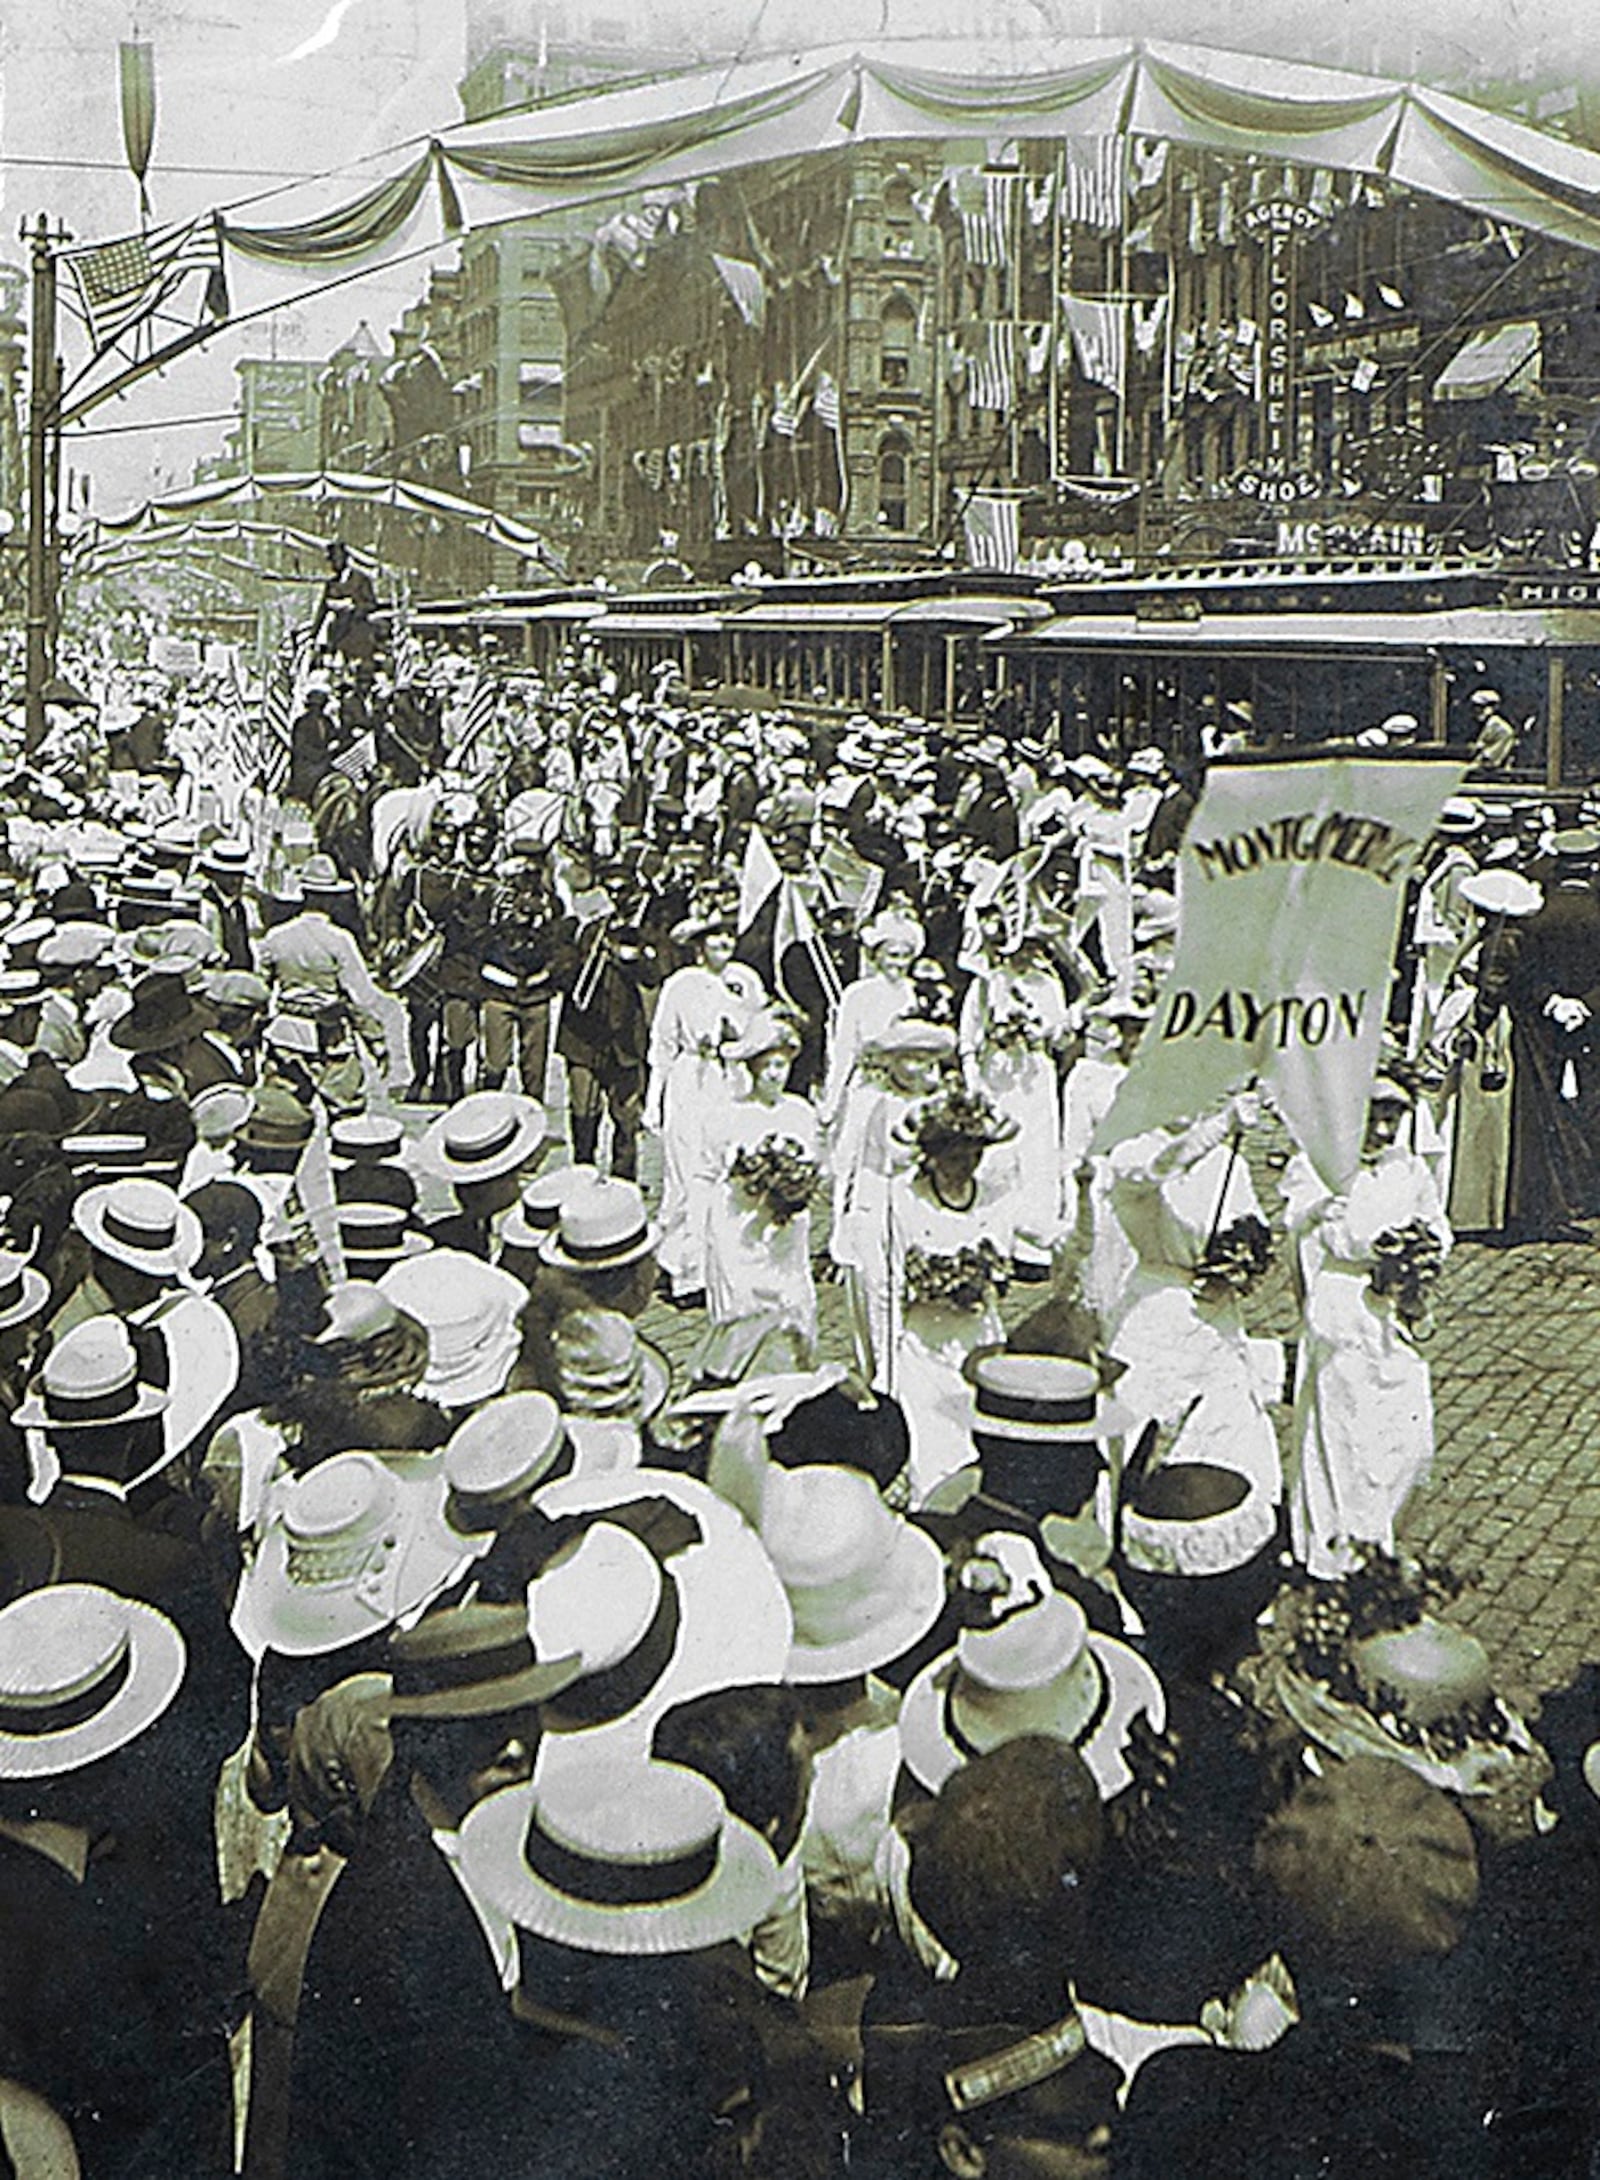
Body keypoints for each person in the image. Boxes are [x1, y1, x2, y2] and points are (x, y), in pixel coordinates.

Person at [1285, 1078, 1452, 1578]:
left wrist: (1425, 1252)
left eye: (1392, 1117)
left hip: (1395, 1309)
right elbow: (1327, 1233)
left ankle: (1379, 1525)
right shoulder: (1320, 1168)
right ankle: (1346, 1547)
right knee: (1347, 1431)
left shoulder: (1409, 1168)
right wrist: (1382, 1248)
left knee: (1407, 1428)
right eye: (1371, 1116)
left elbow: (1438, 1223)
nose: (1382, 1129)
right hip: (1345, 1306)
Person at [646, 907, 766, 1306]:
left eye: (729, 938)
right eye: (715, 939)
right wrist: (655, 1099)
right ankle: (684, 1272)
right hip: (689, 1080)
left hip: (725, 1080)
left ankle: (709, 1265)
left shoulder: (742, 982)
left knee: (719, 1171)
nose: (724, 945)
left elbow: (755, 1031)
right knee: (686, 1174)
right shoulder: (681, 984)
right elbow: (662, 1044)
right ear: (699, 947)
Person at [703, 1011, 821, 1362]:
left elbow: (813, 1163)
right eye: (767, 1065)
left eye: (782, 1065)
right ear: (752, 1067)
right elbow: (713, 1170)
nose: (775, 1074)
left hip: (786, 1226)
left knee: (792, 1296)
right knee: (745, 1298)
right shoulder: (731, 1114)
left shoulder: (800, 1112)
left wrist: (795, 1186)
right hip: (743, 1222)